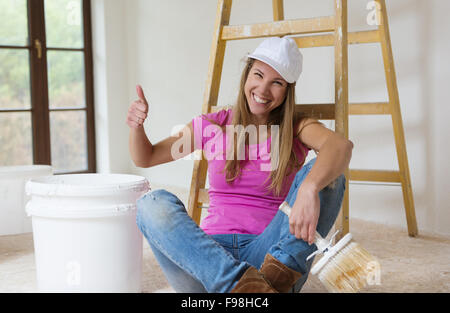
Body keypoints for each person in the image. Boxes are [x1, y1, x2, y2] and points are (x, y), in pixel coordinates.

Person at [126, 37, 353, 293]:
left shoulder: (296, 127)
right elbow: (146, 157)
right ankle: (246, 289)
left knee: (330, 177)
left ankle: (250, 289)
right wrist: (137, 126)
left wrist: (310, 188)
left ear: (288, 90)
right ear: (246, 75)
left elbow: (340, 147)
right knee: (151, 204)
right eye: (258, 75)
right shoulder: (213, 125)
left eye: (276, 83)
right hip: (207, 260)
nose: (263, 90)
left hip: (272, 258)